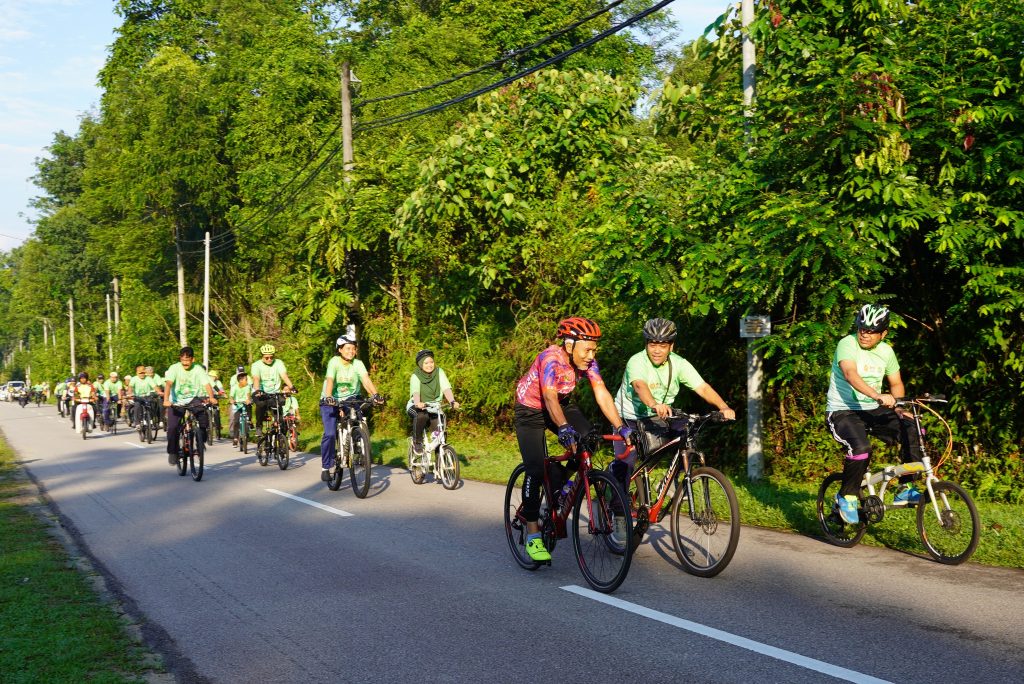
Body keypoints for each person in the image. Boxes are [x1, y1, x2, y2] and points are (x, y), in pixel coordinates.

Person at [513, 317, 633, 562]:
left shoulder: (588, 363)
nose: (591, 355)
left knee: (588, 440)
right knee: (535, 470)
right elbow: (549, 397)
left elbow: (601, 393)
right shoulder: (550, 359)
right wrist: (564, 428)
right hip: (531, 410)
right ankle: (533, 534)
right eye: (587, 349)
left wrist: (621, 427)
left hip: (561, 403)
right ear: (569, 345)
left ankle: (558, 480)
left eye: (594, 350)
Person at [826, 304, 924, 525]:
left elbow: (896, 383)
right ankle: (846, 497)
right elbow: (850, 374)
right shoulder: (847, 343)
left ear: (883, 333)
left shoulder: (886, 352)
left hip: (872, 410)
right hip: (842, 411)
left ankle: (905, 487)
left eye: (871, 331)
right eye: (862, 328)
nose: (865, 334)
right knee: (861, 449)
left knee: (912, 427)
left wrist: (899, 408)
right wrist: (877, 395)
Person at [610, 318, 735, 482]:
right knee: (625, 466)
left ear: (671, 346)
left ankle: (673, 482)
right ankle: (614, 492)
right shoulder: (637, 361)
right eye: (652, 345)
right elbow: (640, 386)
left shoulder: (679, 364)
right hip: (627, 418)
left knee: (687, 434)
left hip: (658, 416)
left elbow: (703, 387)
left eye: (662, 346)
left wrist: (723, 407)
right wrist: (654, 404)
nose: (657, 351)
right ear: (646, 345)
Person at [319, 335, 384, 481]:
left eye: (353, 349)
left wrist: (375, 395)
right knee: (330, 434)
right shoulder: (334, 362)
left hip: (351, 398)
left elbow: (365, 380)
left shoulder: (358, 364)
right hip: (330, 399)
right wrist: (328, 397)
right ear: (340, 350)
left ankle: (358, 445)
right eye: (348, 348)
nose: (351, 351)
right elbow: (330, 380)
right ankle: (326, 467)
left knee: (358, 418)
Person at [163, 347, 216, 466]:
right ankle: (173, 452)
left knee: (203, 418)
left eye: (188, 360)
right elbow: (168, 384)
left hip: (193, 399)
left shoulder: (198, 368)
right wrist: (166, 400)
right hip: (176, 401)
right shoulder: (174, 368)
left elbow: (207, 384)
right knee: (172, 428)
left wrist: (211, 397)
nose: (185, 363)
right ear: (180, 359)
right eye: (183, 360)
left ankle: (200, 440)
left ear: (193, 359)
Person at [406, 349, 459, 455]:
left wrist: (452, 401)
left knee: (440, 432)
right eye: (426, 363)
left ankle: (441, 461)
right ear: (420, 364)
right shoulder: (416, 376)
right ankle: (417, 442)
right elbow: (415, 391)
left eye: (431, 362)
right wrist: (418, 403)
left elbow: (446, 388)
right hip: (416, 405)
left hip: (434, 407)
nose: (429, 365)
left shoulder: (439, 372)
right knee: (422, 416)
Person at [250, 344, 295, 438]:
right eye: (267, 358)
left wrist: (292, 387)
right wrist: (257, 390)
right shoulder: (256, 365)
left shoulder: (278, 363)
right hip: (262, 393)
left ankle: (279, 436)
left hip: (275, 393)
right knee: (260, 405)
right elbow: (256, 378)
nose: (269, 359)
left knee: (280, 419)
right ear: (262, 356)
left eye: (271, 357)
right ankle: (259, 426)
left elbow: (284, 376)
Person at [229, 370, 252, 447]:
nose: (247, 381)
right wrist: (232, 400)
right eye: (246, 380)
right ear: (240, 380)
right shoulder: (234, 387)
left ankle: (249, 422)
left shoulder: (247, 387)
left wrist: (248, 400)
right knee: (236, 421)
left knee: (249, 407)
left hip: (245, 404)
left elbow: (248, 395)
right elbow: (231, 396)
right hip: (237, 405)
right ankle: (235, 438)